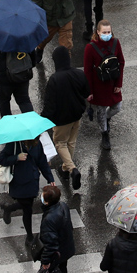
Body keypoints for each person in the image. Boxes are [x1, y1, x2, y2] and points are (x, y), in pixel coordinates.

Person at [43, 46, 89, 191]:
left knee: (60, 143)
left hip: (61, 120)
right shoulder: (79, 74)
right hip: (77, 116)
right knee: (71, 142)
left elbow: (50, 105)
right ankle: (65, 169)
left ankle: (72, 169)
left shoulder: (54, 79)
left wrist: (42, 120)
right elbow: (86, 92)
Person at [0, 137, 54, 246]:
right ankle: (29, 236)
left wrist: (50, 178)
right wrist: (16, 157)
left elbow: (42, 161)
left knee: (27, 205)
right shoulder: (13, 144)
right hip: (19, 182)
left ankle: (9, 208)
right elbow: (2, 159)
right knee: (27, 209)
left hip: (32, 181)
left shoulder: (37, 144)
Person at [83, 20, 124, 150]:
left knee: (117, 106)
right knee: (100, 111)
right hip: (98, 85)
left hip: (113, 83)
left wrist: (119, 83)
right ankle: (104, 134)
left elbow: (121, 62)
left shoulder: (116, 43)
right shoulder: (90, 48)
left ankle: (106, 120)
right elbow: (87, 70)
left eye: (109, 32)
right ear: (98, 32)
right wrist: (89, 90)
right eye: (104, 32)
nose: (107, 34)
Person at [38, 185, 75, 273]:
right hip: (65, 249)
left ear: (47, 202)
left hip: (56, 253)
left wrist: (45, 261)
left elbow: (50, 244)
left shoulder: (49, 219)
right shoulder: (63, 206)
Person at [0, 44, 34, 116]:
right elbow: (33, 57)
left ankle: (8, 125)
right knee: (24, 101)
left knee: (4, 103)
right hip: (22, 74)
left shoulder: (1, 36)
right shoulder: (25, 35)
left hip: (4, 76)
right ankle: (32, 124)